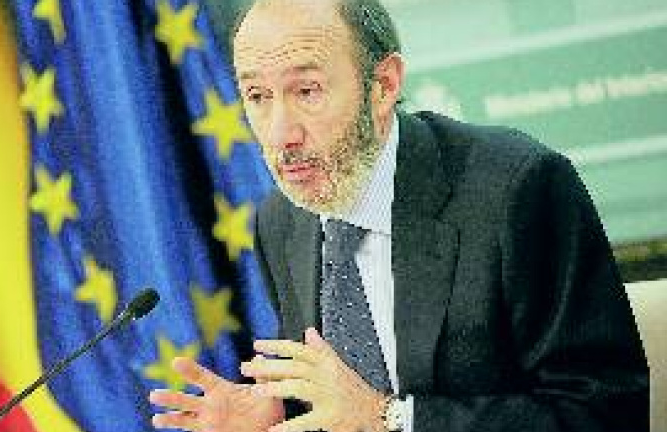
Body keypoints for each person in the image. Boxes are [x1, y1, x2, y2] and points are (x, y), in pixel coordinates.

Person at [149, 0, 649, 431]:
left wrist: (388, 417)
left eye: (307, 91)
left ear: (384, 86)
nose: (281, 133)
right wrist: (282, 416)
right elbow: (341, 400)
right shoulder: (282, 222)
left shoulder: (515, 190)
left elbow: (605, 413)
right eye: (257, 96)